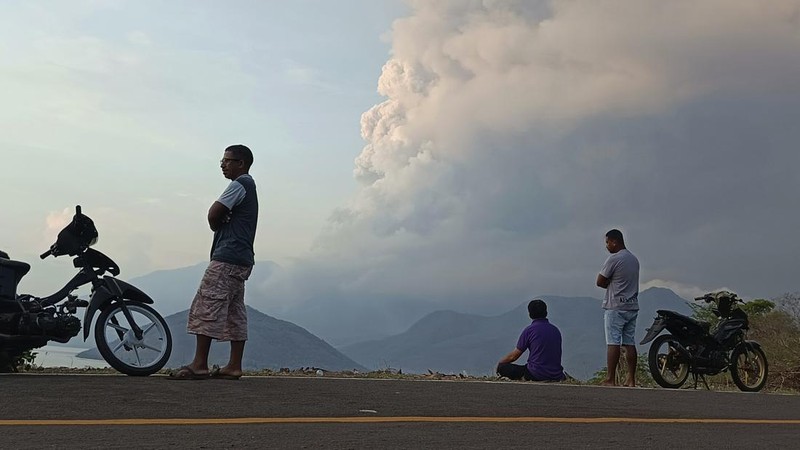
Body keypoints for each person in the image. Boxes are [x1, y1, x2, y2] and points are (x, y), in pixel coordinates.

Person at [170, 144, 259, 380]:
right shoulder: (249, 187)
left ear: (241, 163)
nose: (222, 164)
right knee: (234, 311)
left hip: (227, 257)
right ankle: (234, 365)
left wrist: (216, 224)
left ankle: (199, 364)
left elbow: (213, 213)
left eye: (228, 160)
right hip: (242, 260)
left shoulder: (239, 184)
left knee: (207, 305)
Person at [596, 229, 640, 387]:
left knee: (613, 342)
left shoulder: (614, 259)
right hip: (632, 305)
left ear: (614, 241)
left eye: (607, 242)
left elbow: (600, 281)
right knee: (629, 342)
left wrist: (610, 283)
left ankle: (610, 379)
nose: (607, 246)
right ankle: (631, 379)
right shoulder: (634, 259)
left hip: (615, 306)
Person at [496, 299, 566, 381]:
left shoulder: (529, 330)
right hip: (556, 375)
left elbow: (513, 356)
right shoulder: (556, 330)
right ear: (546, 312)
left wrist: (499, 364)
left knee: (503, 367)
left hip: (535, 374)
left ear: (530, 314)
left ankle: (523, 377)